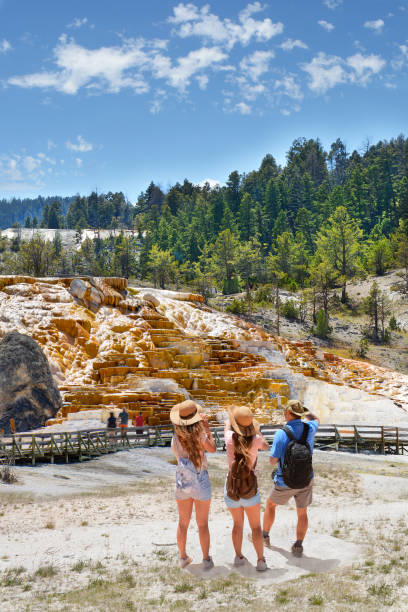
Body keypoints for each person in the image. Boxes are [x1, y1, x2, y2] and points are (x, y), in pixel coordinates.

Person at [263, 399, 320, 557]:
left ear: (288, 413)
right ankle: (298, 545)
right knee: (302, 512)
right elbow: (316, 419)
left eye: (285, 411)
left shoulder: (282, 433)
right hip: (306, 478)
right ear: (300, 413)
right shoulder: (310, 427)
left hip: (285, 481)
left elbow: (272, 460)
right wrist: (306, 411)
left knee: (270, 505)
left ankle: (264, 537)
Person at [170, 400, 216, 570]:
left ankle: (182, 557)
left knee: (183, 522)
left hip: (183, 481)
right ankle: (206, 560)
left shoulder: (175, 438)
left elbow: (178, 457)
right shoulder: (200, 435)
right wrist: (207, 429)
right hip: (200, 478)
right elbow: (212, 449)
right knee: (202, 523)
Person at [224, 406, 269, 571]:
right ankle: (261, 560)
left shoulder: (229, 437)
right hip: (250, 487)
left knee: (237, 524)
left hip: (232, 487)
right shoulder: (256, 439)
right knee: (256, 527)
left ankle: (238, 557)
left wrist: (231, 421)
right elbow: (266, 445)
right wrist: (257, 431)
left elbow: (226, 426)